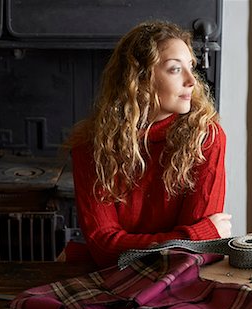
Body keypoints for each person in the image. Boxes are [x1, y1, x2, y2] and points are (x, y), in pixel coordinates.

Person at [64, 21, 231, 269]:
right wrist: (197, 235)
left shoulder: (206, 137)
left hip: (180, 280)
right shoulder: (91, 144)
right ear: (140, 79)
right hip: (112, 275)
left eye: (191, 67)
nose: (192, 81)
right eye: (175, 69)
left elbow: (197, 257)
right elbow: (104, 249)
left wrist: (126, 249)